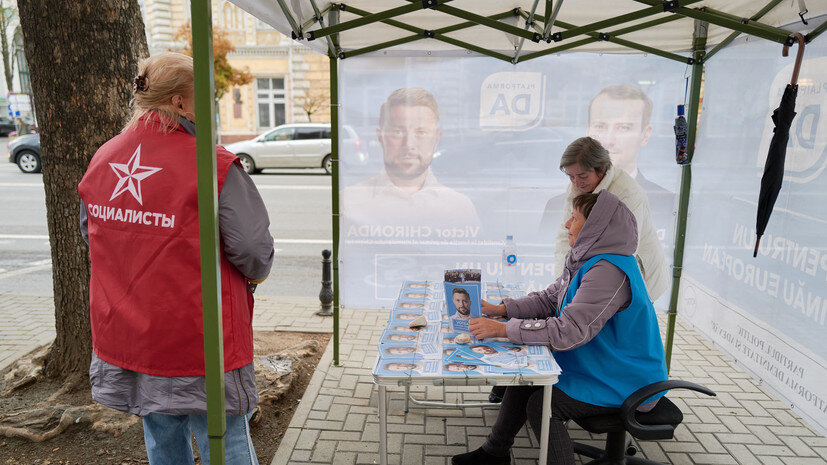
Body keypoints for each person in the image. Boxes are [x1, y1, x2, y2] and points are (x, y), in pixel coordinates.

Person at [78, 53, 274, 465]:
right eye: (205, 97)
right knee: (224, 435)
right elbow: (253, 250)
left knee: (161, 436)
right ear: (180, 103)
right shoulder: (212, 163)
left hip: (134, 333)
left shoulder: (104, 157)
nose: (212, 108)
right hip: (200, 335)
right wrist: (254, 277)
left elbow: (92, 235)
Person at [454, 191, 668, 465]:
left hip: (627, 381)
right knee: (526, 375)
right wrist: (502, 310)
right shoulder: (588, 260)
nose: (567, 224)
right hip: (603, 367)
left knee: (542, 405)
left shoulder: (608, 271)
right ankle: (494, 453)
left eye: (574, 218)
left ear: (595, 228)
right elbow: (549, 298)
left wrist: (503, 329)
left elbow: (569, 331)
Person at [540, 85, 675, 242]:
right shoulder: (556, 206)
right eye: (600, 126)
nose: (609, 141)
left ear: (645, 135)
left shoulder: (669, 205)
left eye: (623, 127)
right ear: (587, 130)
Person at [544, 137, 669, 301]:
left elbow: (625, 249)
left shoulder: (627, 193)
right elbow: (565, 235)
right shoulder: (575, 188)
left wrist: (587, 287)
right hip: (596, 276)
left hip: (633, 273)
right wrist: (563, 279)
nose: (576, 183)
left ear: (600, 169)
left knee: (624, 322)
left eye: (582, 176)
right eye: (571, 176)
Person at [342, 87, 481, 232]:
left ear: (436, 139)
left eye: (421, 132)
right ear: (380, 137)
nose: (409, 144)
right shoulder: (349, 200)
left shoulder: (461, 208)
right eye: (397, 132)